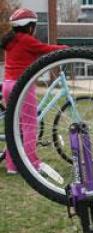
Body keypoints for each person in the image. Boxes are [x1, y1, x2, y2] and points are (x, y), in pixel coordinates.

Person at [1, 8, 67, 175]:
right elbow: (45, 49)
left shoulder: (11, 40)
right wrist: (65, 48)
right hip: (22, 86)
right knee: (30, 125)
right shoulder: (26, 40)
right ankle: (32, 163)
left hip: (8, 85)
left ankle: (12, 166)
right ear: (30, 27)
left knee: (14, 126)